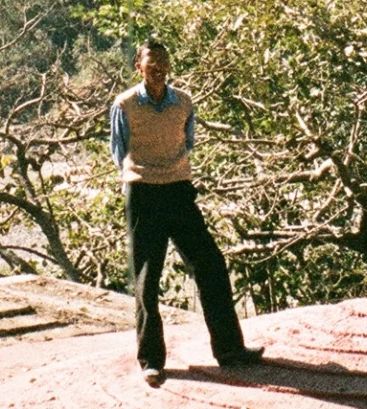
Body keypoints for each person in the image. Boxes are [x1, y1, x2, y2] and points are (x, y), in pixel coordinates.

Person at [109, 39, 264, 386]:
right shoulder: (125, 105)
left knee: (210, 264)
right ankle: (151, 360)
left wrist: (171, 171)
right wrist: (143, 174)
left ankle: (229, 350)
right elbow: (118, 153)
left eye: (163, 62)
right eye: (151, 64)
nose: (158, 69)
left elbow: (186, 142)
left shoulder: (184, 103)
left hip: (179, 191)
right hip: (144, 194)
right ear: (139, 67)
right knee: (147, 279)